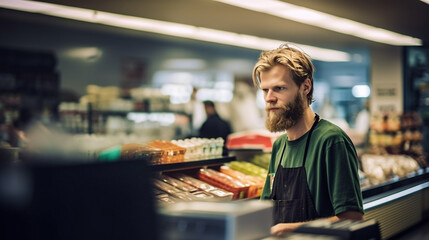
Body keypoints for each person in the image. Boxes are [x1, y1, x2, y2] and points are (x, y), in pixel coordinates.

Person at [253, 44, 364, 236]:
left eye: (279, 88)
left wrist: (291, 228)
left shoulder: (331, 141)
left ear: (306, 86)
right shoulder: (280, 146)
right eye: (265, 90)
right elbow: (266, 208)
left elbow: (352, 218)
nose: (269, 98)